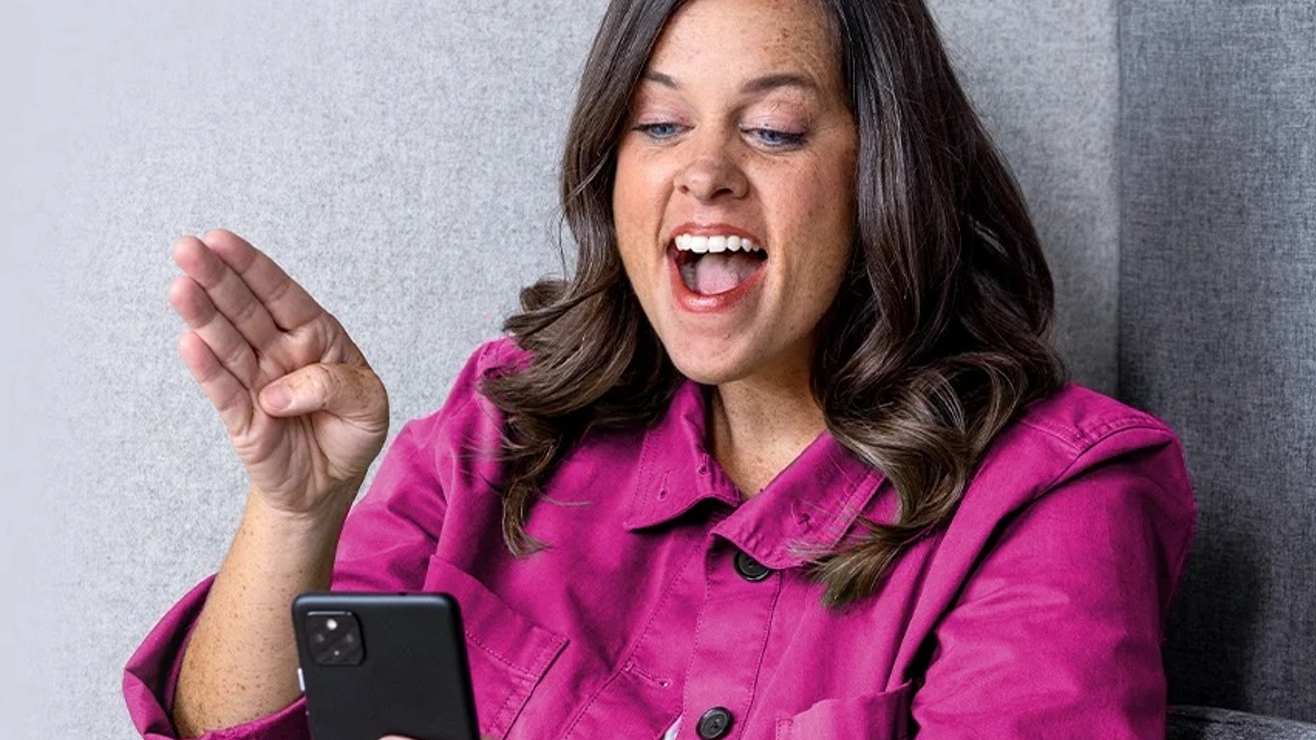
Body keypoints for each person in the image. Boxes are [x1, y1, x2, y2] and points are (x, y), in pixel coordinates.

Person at [124, 0, 1196, 738]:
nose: (705, 172)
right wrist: (295, 505)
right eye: (660, 122)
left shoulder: (1056, 497)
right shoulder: (499, 426)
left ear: (887, 173)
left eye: (774, 130)